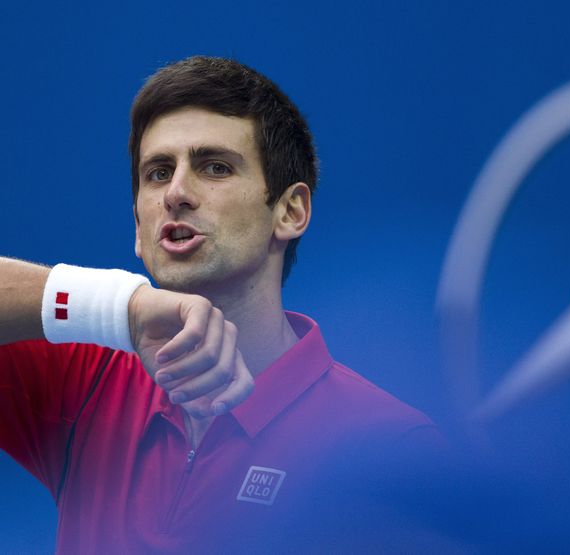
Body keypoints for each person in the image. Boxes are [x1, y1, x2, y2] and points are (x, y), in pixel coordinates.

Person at [0, 56, 443, 553]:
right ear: (138, 229)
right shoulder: (85, 376)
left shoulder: (390, 448)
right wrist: (118, 307)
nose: (177, 193)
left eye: (215, 167)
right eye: (158, 172)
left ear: (290, 211)